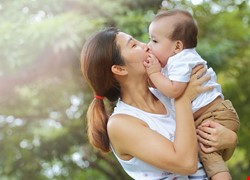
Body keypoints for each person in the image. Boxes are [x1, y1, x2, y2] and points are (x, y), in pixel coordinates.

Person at [81, 27, 238, 179]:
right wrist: (182, 97)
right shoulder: (120, 124)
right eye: (134, 45)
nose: (146, 46)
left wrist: (230, 140)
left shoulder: (165, 94)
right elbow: (186, 163)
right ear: (120, 69)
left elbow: (209, 155)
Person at [144, 9, 240, 179]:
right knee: (207, 157)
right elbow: (164, 88)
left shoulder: (182, 60)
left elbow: (174, 90)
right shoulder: (173, 63)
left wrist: (153, 74)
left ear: (177, 46)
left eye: (154, 40)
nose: (148, 45)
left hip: (215, 115)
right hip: (210, 116)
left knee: (210, 158)